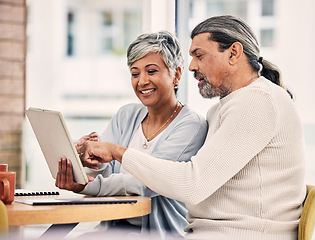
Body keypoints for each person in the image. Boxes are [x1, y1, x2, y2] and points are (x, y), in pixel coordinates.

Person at [77, 15, 307, 240]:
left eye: (199, 55)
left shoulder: (256, 102)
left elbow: (191, 185)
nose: (191, 66)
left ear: (234, 53)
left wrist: (118, 152)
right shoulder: (227, 107)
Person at [55, 31, 208, 239]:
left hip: (159, 234)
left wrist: (87, 185)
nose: (142, 81)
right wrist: (84, 161)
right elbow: (106, 172)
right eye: (135, 74)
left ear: (177, 74)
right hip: (115, 230)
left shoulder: (191, 125)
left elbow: (147, 183)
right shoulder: (126, 115)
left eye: (151, 71)